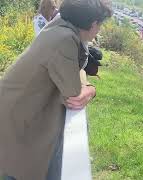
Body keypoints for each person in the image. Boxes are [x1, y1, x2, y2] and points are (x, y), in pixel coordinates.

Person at [0, 0, 112, 180]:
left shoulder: (60, 26)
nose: (99, 30)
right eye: (100, 25)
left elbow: (74, 71)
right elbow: (74, 95)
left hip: (17, 111)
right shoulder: (65, 39)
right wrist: (91, 89)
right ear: (93, 24)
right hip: (18, 120)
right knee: (20, 169)